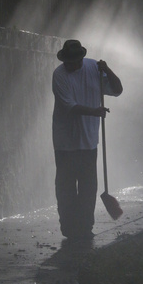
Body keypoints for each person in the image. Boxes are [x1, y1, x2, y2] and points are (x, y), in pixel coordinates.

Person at [52, 38, 123, 239]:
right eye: (68, 62)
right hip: (65, 142)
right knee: (66, 187)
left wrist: (107, 70)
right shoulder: (59, 75)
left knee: (88, 187)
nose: (71, 65)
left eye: (74, 61)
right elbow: (70, 107)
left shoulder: (94, 68)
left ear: (82, 58)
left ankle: (84, 228)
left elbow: (117, 90)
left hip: (89, 141)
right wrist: (95, 112)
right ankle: (68, 227)